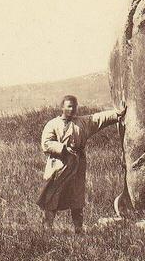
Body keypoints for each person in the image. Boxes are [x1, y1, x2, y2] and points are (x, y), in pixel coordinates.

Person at [38, 94, 124, 233]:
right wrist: (63, 149)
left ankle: (78, 229)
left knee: (77, 197)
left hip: (77, 165)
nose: (72, 109)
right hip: (58, 165)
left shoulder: (83, 122)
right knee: (52, 196)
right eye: (69, 106)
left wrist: (117, 113)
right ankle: (48, 228)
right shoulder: (52, 124)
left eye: (74, 106)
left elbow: (99, 118)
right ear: (62, 107)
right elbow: (46, 143)